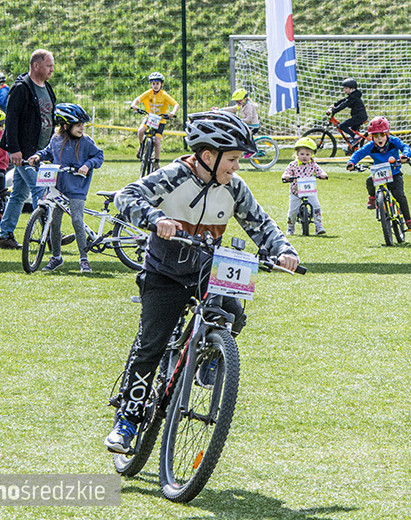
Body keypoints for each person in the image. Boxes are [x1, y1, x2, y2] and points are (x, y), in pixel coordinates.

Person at [105, 111, 299, 454]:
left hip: (209, 270)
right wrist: (156, 218)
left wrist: (283, 250)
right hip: (164, 271)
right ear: (208, 156)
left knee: (235, 316)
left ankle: (208, 355)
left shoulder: (234, 187)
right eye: (233, 159)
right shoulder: (174, 175)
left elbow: (261, 223)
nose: (237, 167)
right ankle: (128, 421)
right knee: (151, 346)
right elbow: (125, 197)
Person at [26, 103, 104, 273]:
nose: (82, 128)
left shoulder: (86, 142)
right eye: (78, 125)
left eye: (82, 125)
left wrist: (87, 165)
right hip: (58, 186)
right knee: (54, 222)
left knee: (77, 220)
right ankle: (56, 257)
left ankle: (84, 259)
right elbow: (48, 152)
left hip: (77, 187)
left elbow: (99, 155)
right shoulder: (56, 139)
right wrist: (38, 155)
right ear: (65, 125)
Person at [0, 49, 56, 250]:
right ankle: (49, 235)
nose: (52, 69)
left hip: (39, 151)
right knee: (40, 187)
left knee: (19, 194)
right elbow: (11, 120)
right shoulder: (21, 88)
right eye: (49, 66)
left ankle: (4, 236)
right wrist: (14, 149)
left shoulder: (46, 87)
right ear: (36, 65)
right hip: (24, 152)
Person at [347, 116, 411, 230]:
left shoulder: (394, 141)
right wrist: (351, 163)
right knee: (369, 181)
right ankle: (372, 197)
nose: (379, 138)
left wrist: (405, 155)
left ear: (387, 133)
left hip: (394, 173)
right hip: (379, 172)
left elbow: (405, 147)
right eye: (375, 135)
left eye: (382, 134)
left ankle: (408, 220)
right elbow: (358, 154)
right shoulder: (370, 146)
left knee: (400, 195)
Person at [131, 72, 179, 171]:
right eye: (153, 84)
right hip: (149, 118)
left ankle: (156, 162)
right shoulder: (148, 93)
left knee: (157, 141)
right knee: (140, 131)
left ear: (161, 84)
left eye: (157, 83)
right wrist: (134, 105)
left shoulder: (164, 95)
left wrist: (172, 113)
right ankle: (141, 147)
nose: (155, 86)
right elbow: (137, 99)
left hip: (160, 120)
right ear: (151, 84)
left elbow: (176, 104)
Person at [281, 137, 328, 235]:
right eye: (302, 154)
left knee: (316, 206)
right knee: (293, 211)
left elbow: (320, 171)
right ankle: (290, 227)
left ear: (312, 155)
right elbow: (286, 172)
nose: (304, 156)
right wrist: (287, 176)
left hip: (310, 190)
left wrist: (323, 174)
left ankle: (318, 226)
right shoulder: (293, 164)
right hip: (296, 192)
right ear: (297, 154)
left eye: (307, 154)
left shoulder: (313, 164)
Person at [327, 78, 367, 150]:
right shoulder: (353, 96)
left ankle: (356, 138)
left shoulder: (353, 97)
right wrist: (335, 104)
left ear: (352, 89)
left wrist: (334, 110)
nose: (344, 90)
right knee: (352, 132)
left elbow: (344, 104)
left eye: (346, 88)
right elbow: (344, 100)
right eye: (344, 88)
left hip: (359, 117)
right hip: (358, 116)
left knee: (342, 126)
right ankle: (353, 149)